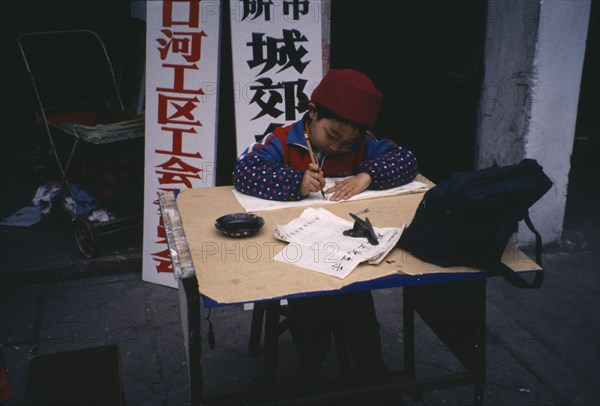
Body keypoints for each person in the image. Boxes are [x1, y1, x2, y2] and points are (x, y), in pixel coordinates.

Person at [233, 68, 418, 382]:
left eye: (348, 142)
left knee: (356, 299)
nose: (337, 147)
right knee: (310, 304)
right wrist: (296, 181)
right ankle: (311, 367)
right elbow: (244, 171)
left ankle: (369, 371)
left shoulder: (363, 144)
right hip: (296, 251)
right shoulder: (282, 140)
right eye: (331, 136)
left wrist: (368, 174)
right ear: (312, 112)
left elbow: (407, 159)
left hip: (345, 246)